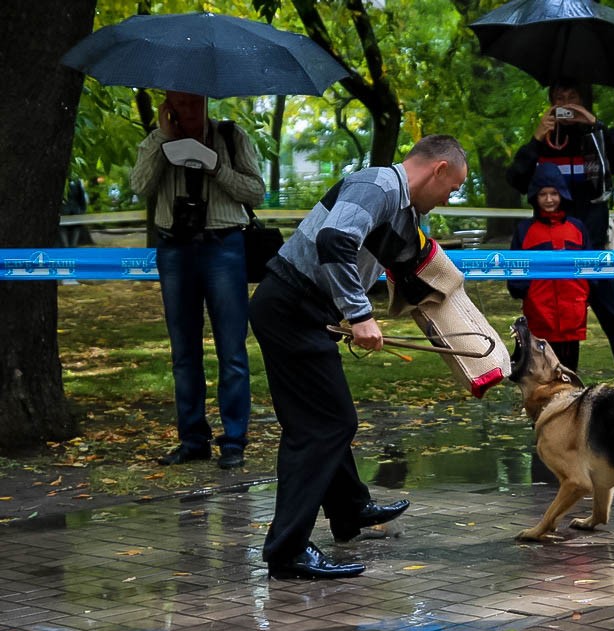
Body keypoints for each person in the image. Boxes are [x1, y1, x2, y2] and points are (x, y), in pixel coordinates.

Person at [248, 134, 468, 580]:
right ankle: (287, 550)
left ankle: (350, 510)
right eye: (452, 187)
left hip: (301, 310)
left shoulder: (400, 205)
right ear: (438, 169)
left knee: (322, 419)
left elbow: (409, 260)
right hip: (290, 307)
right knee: (326, 425)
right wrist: (359, 314)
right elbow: (333, 240)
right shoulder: (379, 187)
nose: (448, 198)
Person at [130, 91, 264, 470]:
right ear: (168, 104)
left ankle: (234, 441)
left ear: (206, 101)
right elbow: (140, 187)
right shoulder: (156, 140)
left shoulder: (232, 137)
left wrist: (215, 167)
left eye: (193, 103)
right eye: (179, 104)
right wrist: (164, 140)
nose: (187, 111)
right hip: (175, 249)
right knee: (184, 353)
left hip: (223, 247)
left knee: (232, 351)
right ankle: (192, 440)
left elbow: (255, 192)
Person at [506, 80, 614, 383]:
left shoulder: (595, 140)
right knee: (554, 338)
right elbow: (515, 179)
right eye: (559, 97)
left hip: (591, 255)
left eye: (572, 97)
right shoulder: (542, 145)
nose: (565, 103)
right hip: (553, 261)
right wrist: (535, 139)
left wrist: (595, 124)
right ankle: (555, 398)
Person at [508, 163, 591, 371]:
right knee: (541, 372)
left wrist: (587, 294)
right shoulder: (525, 230)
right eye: (543, 194)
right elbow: (515, 268)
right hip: (539, 313)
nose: (549, 199)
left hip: (572, 311)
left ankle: (571, 403)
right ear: (535, 196)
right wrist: (521, 289)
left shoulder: (577, 228)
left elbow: (590, 266)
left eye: (554, 193)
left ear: (562, 194)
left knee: (570, 371)